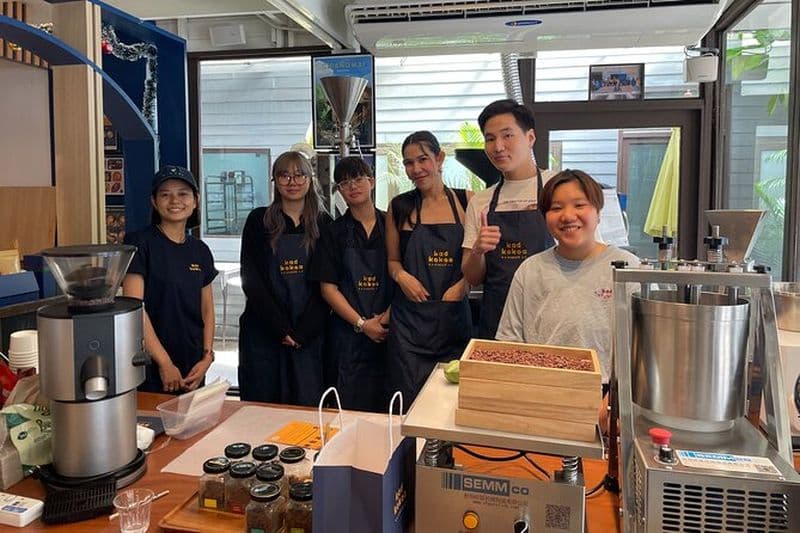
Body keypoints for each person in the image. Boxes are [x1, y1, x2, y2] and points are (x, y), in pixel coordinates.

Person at [496, 169, 639, 387]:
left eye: (579, 205)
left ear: (598, 212)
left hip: (608, 397)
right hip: (541, 390)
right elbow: (510, 342)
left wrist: (616, 400)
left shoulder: (628, 268)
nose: (568, 216)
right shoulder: (530, 270)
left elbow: (644, 350)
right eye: (556, 208)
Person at [238, 151, 332, 406]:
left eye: (300, 174)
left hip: (309, 333)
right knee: (263, 408)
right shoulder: (258, 221)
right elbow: (252, 278)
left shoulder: (324, 223)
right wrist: (279, 327)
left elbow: (328, 282)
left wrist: (304, 331)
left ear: (310, 180)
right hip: (264, 330)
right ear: (275, 181)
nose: (293, 181)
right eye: (285, 175)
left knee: (307, 407)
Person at [386, 131, 473, 404]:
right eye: (409, 163)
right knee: (410, 403)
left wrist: (462, 285)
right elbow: (392, 261)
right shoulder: (399, 206)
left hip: (453, 320)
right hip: (410, 327)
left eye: (423, 159)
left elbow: (479, 259)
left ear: (439, 158)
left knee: (451, 403)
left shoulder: (467, 201)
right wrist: (402, 277)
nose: (416, 169)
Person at [461, 99, 555, 339]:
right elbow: (472, 277)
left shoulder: (558, 187)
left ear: (530, 138)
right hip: (498, 319)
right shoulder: (481, 201)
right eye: (490, 138)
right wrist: (478, 251)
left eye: (507, 136)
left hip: (551, 314)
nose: (498, 146)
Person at [123, 165, 218, 394]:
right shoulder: (139, 243)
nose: (175, 200)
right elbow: (134, 307)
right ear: (155, 202)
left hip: (193, 364)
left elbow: (207, 309)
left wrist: (207, 357)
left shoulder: (200, 250)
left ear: (195, 200)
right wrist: (164, 363)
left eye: (183, 193)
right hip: (151, 364)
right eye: (165, 194)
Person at [309, 157, 391, 412]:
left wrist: (386, 318)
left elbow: (404, 277)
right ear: (339, 191)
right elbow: (328, 288)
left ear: (372, 181)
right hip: (348, 336)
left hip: (391, 330)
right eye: (344, 183)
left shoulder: (393, 226)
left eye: (358, 179)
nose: (352, 186)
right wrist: (362, 324)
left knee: (391, 405)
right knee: (351, 408)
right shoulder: (333, 233)